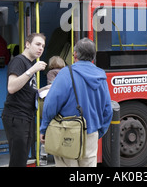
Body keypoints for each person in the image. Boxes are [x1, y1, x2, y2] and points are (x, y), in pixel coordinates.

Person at [40, 38, 113, 167]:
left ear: (75, 54)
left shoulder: (65, 74)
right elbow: (108, 110)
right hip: (91, 133)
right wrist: (98, 132)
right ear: (93, 56)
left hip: (66, 133)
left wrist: (44, 128)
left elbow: (51, 105)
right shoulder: (101, 76)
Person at [1, 33, 47, 167]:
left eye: (43, 46)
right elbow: (12, 87)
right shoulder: (19, 61)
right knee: (18, 160)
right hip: (17, 116)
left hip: (27, 116)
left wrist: (43, 89)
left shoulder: (29, 63)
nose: (41, 48)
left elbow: (26, 89)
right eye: (37, 44)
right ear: (27, 44)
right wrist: (32, 70)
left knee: (22, 158)